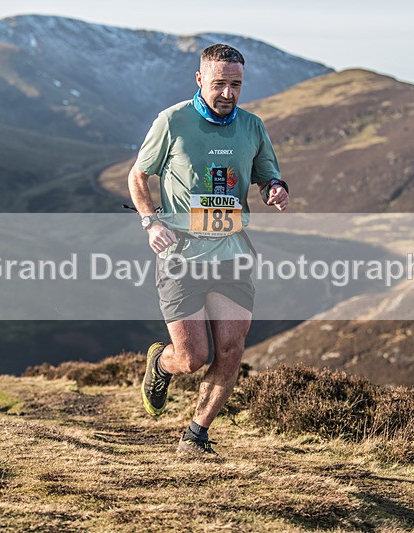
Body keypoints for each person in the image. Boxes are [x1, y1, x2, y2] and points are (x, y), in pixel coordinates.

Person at [128, 43, 289, 457]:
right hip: (181, 257)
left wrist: (274, 188)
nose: (228, 94)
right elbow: (138, 177)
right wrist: (151, 222)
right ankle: (161, 364)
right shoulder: (173, 121)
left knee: (232, 351)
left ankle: (195, 436)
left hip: (232, 253)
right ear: (200, 80)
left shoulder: (252, 126)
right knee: (193, 357)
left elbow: (268, 172)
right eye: (219, 84)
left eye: (235, 85)